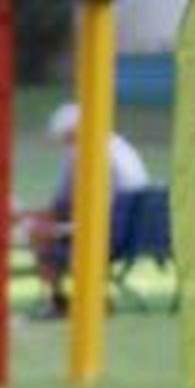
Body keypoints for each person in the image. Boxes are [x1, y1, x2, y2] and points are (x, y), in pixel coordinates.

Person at [30, 98, 147, 314]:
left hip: (104, 235)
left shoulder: (83, 152)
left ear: (73, 133)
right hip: (128, 235)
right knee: (48, 230)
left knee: (41, 236)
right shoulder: (117, 145)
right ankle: (83, 297)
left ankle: (57, 301)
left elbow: (62, 201)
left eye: (65, 138)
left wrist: (47, 223)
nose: (64, 144)